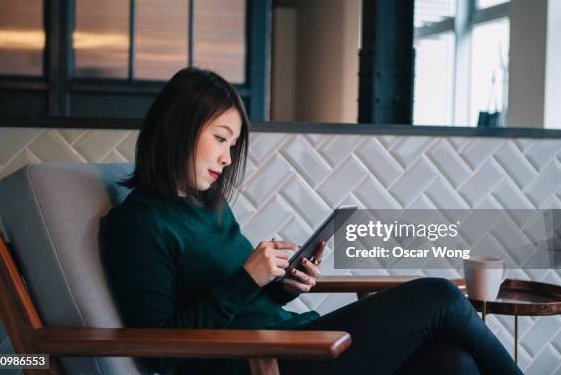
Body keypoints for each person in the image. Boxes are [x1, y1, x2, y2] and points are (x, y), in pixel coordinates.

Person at [100, 67, 523, 375]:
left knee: (453, 365)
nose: (227, 158)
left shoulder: (206, 205)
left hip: (289, 340)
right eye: (220, 139)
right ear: (180, 128)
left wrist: (282, 286)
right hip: (260, 364)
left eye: (232, 144)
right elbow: (159, 348)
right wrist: (247, 279)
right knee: (440, 296)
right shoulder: (139, 224)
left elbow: (237, 303)